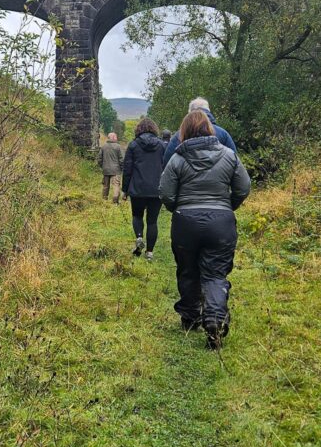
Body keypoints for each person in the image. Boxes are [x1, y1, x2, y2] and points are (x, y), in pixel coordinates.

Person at [159, 109, 251, 349]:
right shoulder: (229, 155)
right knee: (215, 274)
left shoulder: (177, 159)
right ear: (210, 130)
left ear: (184, 132)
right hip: (221, 222)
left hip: (185, 222)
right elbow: (243, 187)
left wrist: (179, 209)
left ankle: (190, 317)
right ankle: (215, 321)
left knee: (188, 270)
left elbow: (166, 193)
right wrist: (227, 207)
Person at [122, 118, 164, 260]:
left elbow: (127, 169)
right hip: (156, 189)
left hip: (137, 189)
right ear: (154, 129)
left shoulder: (133, 145)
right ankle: (150, 253)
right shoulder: (161, 146)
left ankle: (139, 237)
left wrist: (125, 189)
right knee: (152, 221)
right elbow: (166, 167)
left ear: (138, 129)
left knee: (137, 216)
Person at [162, 97, 237, 166]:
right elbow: (235, 162)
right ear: (208, 111)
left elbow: (167, 164)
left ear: (189, 113)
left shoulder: (179, 135)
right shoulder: (223, 134)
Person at [98, 132, 125, 204]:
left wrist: (102, 166)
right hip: (116, 170)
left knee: (105, 185)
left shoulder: (103, 147)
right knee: (116, 185)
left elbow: (99, 159)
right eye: (116, 137)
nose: (117, 138)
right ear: (112, 137)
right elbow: (122, 159)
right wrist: (122, 168)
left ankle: (104, 199)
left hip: (106, 169)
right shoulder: (118, 147)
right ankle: (115, 201)